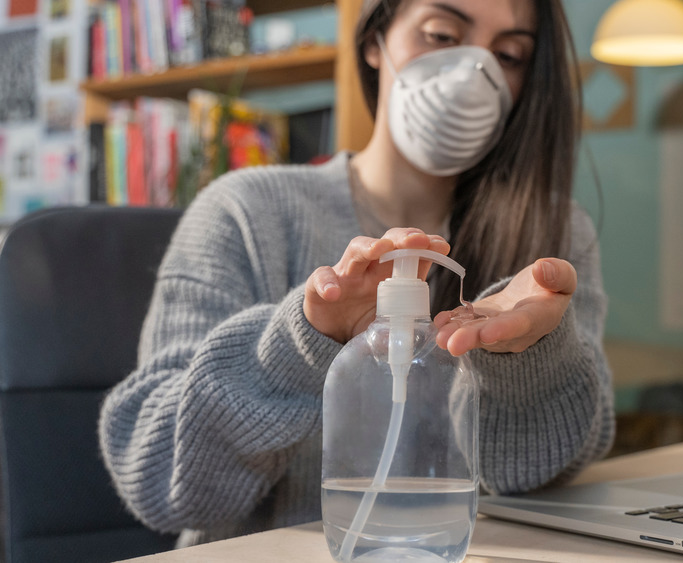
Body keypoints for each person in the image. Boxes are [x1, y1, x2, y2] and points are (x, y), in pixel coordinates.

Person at [99, 0, 614, 548]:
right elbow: (156, 482)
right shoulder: (247, 214)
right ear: (375, 41)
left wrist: (530, 363)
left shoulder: (552, 238)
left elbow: (547, 478)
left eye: (508, 55)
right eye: (442, 35)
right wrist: (298, 348)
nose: (472, 71)